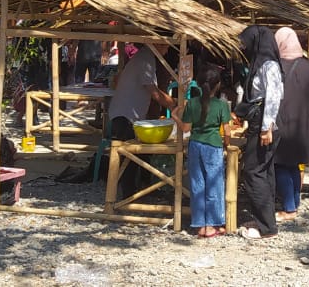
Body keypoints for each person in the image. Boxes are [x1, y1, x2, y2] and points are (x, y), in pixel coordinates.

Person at [107, 43, 175, 199]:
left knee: (142, 155)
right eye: (165, 47)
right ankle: (128, 196)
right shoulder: (145, 59)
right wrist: (174, 105)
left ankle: (145, 187)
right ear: (157, 44)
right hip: (125, 115)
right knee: (130, 156)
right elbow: (154, 92)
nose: (167, 51)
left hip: (131, 115)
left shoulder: (146, 57)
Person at [171, 67, 231, 239]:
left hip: (195, 145)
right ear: (218, 85)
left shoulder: (192, 103)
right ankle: (212, 224)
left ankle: (199, 225)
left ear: (198, 84)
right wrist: (226, 145)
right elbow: (227, 132)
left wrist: (175, 116)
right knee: (214, 184)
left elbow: (186, 128)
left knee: (197, 184)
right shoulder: (222, 105)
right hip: (213, 146)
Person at [237, 25, 284, 239]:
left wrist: (266, 128)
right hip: (262, 120)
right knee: (264, 170)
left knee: (253, 171)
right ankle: (265, 218)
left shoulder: (269, 64)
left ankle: (267, 227)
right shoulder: (260, 63)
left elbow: (273, 96)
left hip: (265, 121)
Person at [273, 27, 309, 220]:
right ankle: (294, 202)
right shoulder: (308, 66)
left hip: (283, 121)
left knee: (280, 164)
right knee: (293, 164)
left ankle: (289, 208)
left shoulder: (277, 66)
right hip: (303, 122)